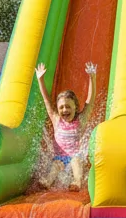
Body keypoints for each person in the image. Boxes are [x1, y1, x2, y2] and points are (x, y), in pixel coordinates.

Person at [35, 61, 97, 190]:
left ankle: (77, 182)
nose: (65, 110)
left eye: (68, 106)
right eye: (61, 107)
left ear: (75, 107)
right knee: (56, 164)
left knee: (76, 161)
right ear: (58, 109)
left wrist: (92, 78)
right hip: (60, 158)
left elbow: (90, 101)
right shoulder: (56, 119)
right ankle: (47, 182)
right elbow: (46, 100)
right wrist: (40, 80)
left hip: (76, 157)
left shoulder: (80, 120)